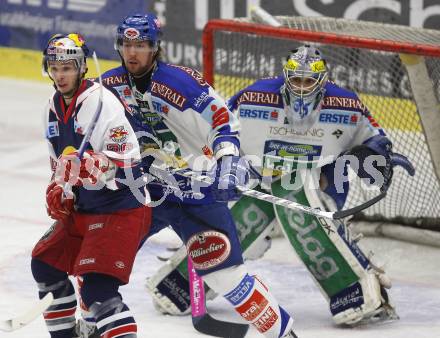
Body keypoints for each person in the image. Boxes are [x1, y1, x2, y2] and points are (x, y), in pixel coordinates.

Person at [149, 45, 416, 326]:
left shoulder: (346, 105)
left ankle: (357, 291)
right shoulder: (255, 98)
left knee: (296, 192)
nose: (301, 88)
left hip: (320, 186)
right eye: (296, 80)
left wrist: (377, 154)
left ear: (323, 81)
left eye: (308, 81)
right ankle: (177, 284)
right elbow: (218, 130)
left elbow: (374, 139)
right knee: (240, 219)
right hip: (258, 182)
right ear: (286, 77)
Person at [100, 13, 298, 338]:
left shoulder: (181, 82)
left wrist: (229, 162)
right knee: (105, 257)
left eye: (141, 45)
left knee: (226, 277)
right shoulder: (108, 86)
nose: (132, 52)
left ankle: (283, 334)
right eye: (127, 44)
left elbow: (224, 120)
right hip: (146, 193)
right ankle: (92, 327)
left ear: (155, 47)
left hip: (197, 191)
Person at [31, 33, 151, 338]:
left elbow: (129, 166)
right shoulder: (51, 107)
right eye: (54, 67)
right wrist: (60, 189)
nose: (60, 75)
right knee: (45, 264)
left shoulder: (102, 103)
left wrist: (98, 166)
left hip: (120, 209)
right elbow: (59, 166)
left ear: (82, 67)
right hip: (84, 209)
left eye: (67, 67)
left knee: (98, 289)